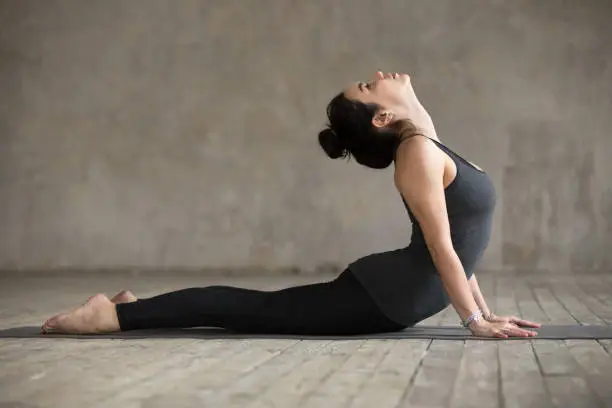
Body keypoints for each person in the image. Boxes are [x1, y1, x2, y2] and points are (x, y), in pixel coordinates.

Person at [42, 71, 540, 338]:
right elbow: (440, 245)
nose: (378, 74)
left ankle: (142, 309)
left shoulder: (425, 144)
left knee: (254, 309)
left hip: (399, 295)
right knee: (250, 310)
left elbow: (457, 244)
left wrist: (487, 312)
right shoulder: (416, 153)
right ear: (383, 116)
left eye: (366, 82)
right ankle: (111, 318)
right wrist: (474, 322)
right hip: (383, 298)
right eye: (369, 86)